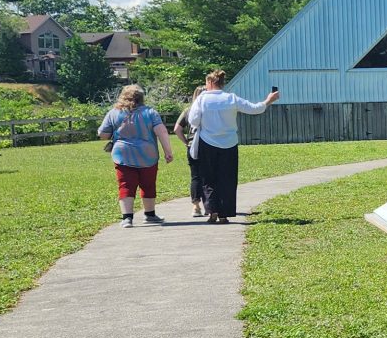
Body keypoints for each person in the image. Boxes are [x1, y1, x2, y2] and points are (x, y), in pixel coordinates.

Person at [186, 70, 278, 224]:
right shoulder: (231, 98)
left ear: (210, 82)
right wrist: (268, 100)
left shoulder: (202, 99)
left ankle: (212, 212)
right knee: (227, 179)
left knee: (208, 178)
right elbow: (254, 109)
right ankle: (224, 214)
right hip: (229, 143)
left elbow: (193, 121)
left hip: (207, 143)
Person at [98, 85, 174, 228]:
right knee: (148, 183)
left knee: (126, 184)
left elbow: (102, 134)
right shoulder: (150, 112)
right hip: (148, 155)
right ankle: (150, 215)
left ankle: (127, 218)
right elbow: (162, 131)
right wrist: (168, 152)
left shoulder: (114, 113)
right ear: (141, 98)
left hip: (123, 155)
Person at [171, 85, 206, 217]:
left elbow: (177, 129)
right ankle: (210, 205)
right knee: (210, 175)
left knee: (195, 176)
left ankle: (196, 206)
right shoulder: (209, 110)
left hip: (192, 145)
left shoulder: (188, 111)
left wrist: (186, 142)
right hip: (209, 144)